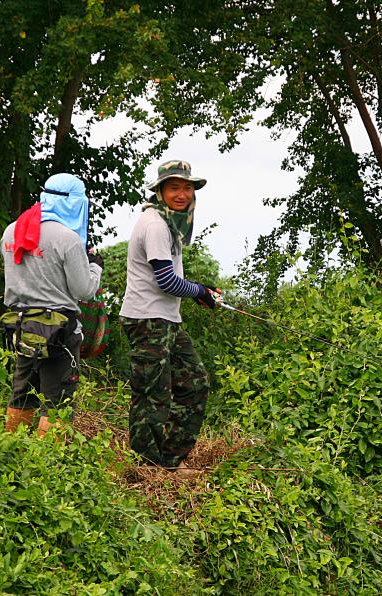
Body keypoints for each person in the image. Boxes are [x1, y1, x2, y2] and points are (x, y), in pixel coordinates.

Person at [120, 159, 220, 473]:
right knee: (153, 395)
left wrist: (201, 291)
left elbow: (172, 282)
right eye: (174, 187)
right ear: (161, 190)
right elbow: (167, 281)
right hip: (147, 320)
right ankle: (145, 468)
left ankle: (169, 462)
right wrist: (201, 292)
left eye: (187, 188)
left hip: (167, 320)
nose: (182, 194)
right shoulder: (154, 224)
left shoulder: (169, 223)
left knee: (195, 383)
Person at [0, 173, 103, 437]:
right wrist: (94, 267)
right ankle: (49, 467)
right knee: (57, 404)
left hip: (22, 327)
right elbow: (84, 290)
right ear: (73, 203)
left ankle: (11, 454)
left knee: (21, 395)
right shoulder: (66, 239)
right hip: (58, 330)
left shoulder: (13, 230)